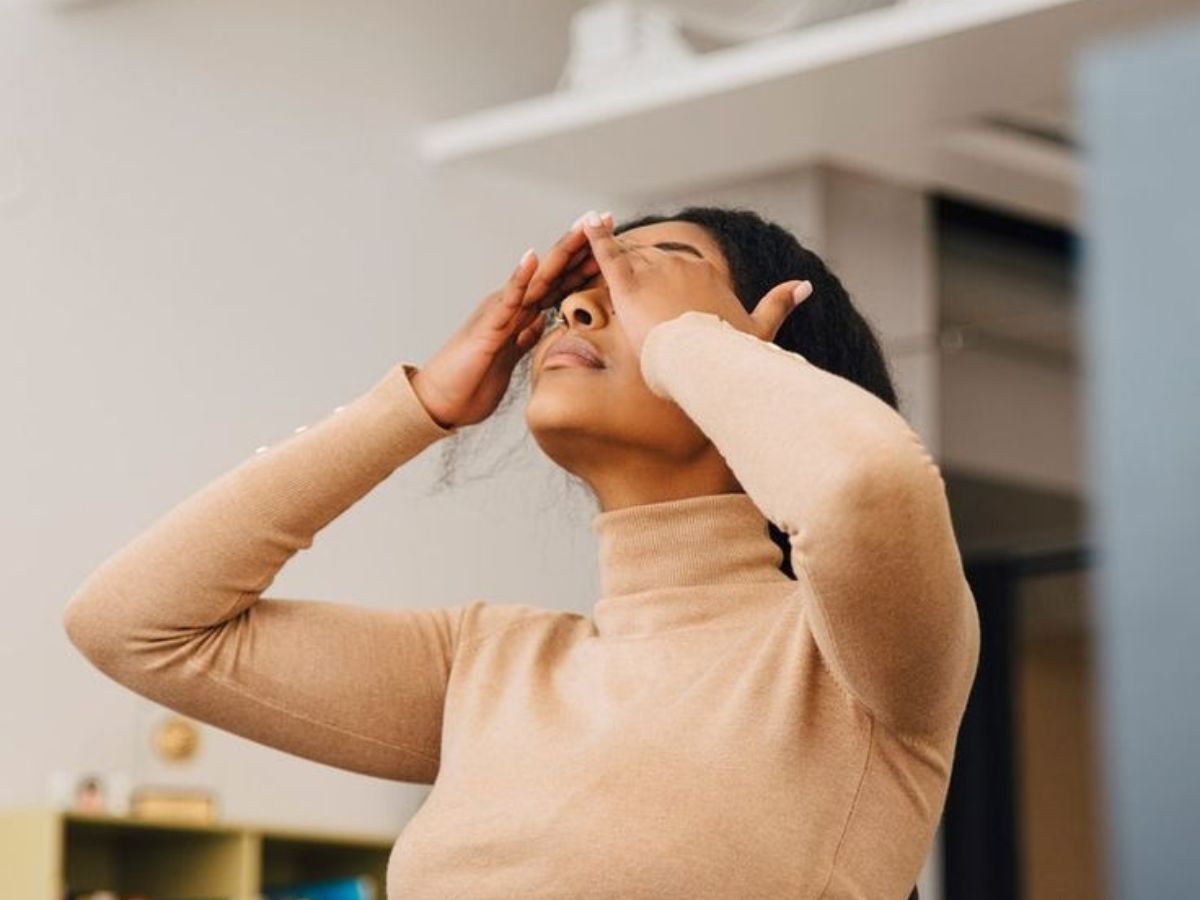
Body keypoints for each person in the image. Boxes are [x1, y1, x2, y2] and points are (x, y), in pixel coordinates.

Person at [63, 207, 979, 899]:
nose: (577, 304)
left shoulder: (854, 660)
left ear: (764, 346)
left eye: (643, 279)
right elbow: (133, 626)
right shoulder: (487, 665)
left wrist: (689, 344)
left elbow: (867, 485)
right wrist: (415, 406)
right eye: (581, 287)